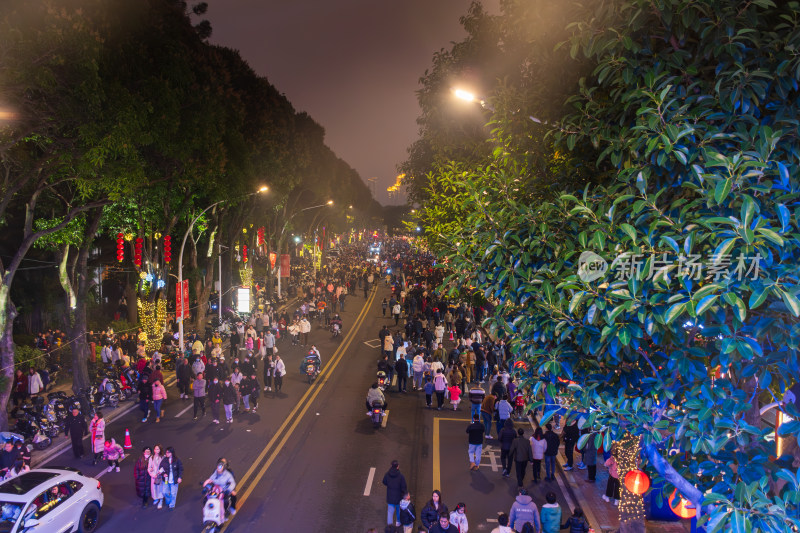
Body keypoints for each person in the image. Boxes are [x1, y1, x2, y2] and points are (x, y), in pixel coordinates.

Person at [382, 460, 407, 527]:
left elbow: (384, 482)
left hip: (390, 497)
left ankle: (390, 527)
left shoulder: (387, 474)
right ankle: (398, 523)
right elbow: (404, 487)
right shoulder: (401, 476)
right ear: (398, 467)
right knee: (398, 511)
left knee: (390, 512)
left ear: (391, 466)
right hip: (399, 498)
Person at [148, 444, 164, 509]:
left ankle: (161, 500)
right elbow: (149, 467)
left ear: (160, 450)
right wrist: (152, 474)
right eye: (155, 449)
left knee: (160, 488)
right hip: (154, 476)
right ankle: (156, 498)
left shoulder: (163, 457)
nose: (156, 450)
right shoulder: (151, 457)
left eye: (157, 449)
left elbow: (164, 466)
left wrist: (160, 472)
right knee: (154, 488)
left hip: (160, 475)